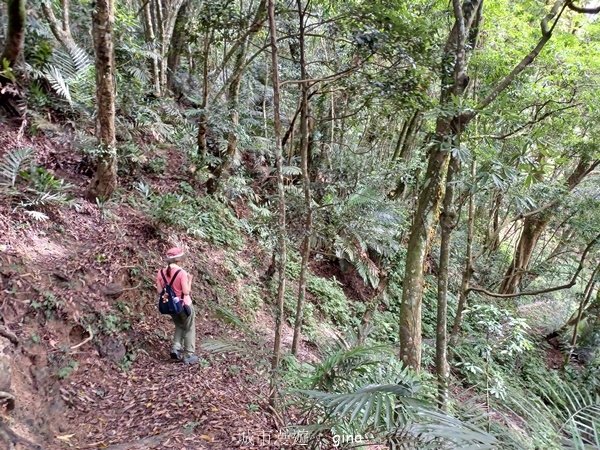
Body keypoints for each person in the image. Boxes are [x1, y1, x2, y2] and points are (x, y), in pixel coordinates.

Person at [155, 247, 199, 364]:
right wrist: (189, 280)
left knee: (179, 325)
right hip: (184, 305)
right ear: (179, 260)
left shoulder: (160, 272)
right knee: (189, 328)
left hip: (171, 307)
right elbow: (186, 292)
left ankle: (176, 348)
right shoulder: (182, 273)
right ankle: (189, 355)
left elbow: (160, 291)